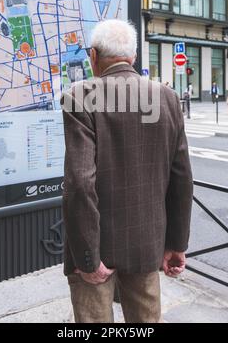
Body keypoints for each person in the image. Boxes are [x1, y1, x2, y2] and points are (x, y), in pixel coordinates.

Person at [61, 19, 193, 324]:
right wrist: (175, 244)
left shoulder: (80, 96)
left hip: (95, 250)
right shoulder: (169, 98)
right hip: (146, 244)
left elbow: (80, 183)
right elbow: (182, 179)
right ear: (132, 58)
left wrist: (86, 257)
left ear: (93, 56)